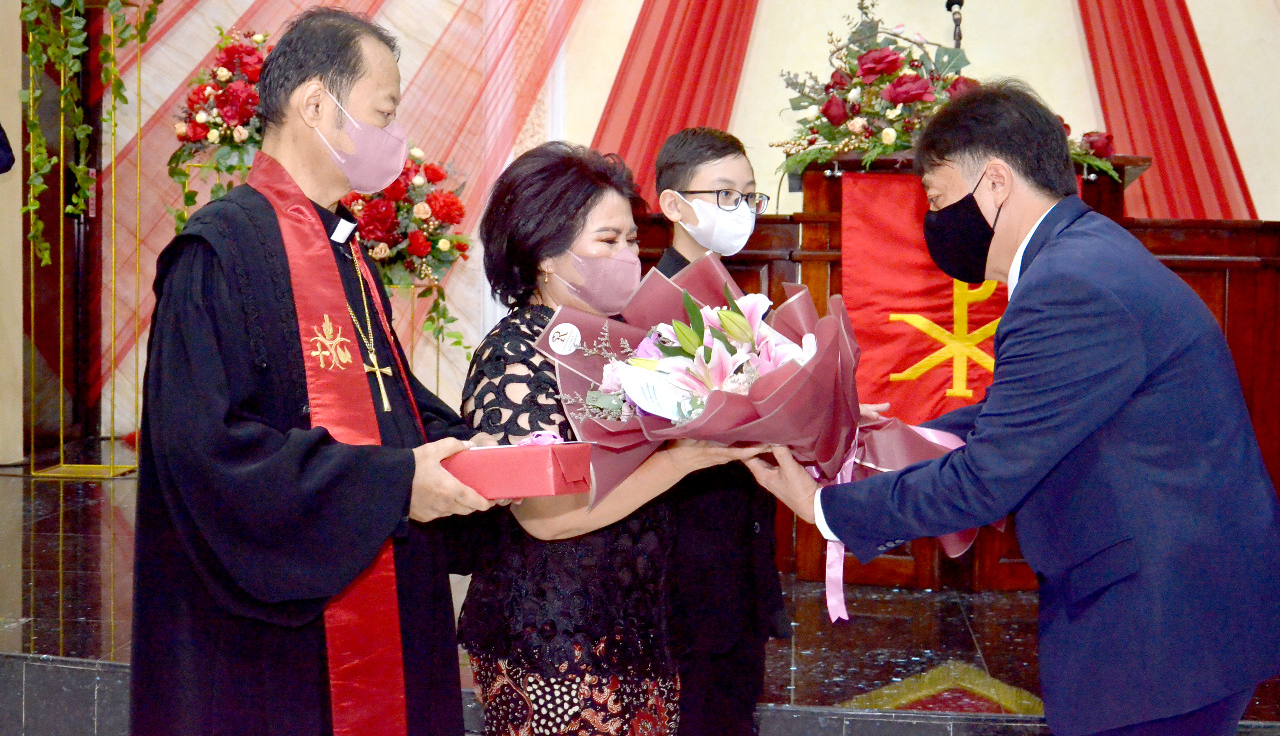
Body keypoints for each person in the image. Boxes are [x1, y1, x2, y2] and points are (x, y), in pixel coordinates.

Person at [747, 81, 1280, 736]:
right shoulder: (1086, 254)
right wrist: (892, 436)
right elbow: (1024, 412)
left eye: (936, 197)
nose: (935, 220)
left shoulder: (1068, 283)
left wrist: (824, 509)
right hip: (1182, 604)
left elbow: (985, 479)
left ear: (995, 182)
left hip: (1161, 626)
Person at [131, 7, 499, 736]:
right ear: (314, 104)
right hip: (277, 649)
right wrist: (395, 483)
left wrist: (474, 453)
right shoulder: (219, 252)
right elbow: (206, 454)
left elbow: (391, 400)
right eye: (383, 113)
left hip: (386, 609)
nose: (395, 138)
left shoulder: (345, 250)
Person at [457, 141, 760, 736]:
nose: (628, 256)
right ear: (546, 253)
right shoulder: (514, 354)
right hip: (555, 639)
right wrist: (682, 460)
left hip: (641, 626)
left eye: (631, 240)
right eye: (608, 240)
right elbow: (545, 517)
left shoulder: (620, 342)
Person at [651, 127, 785, 736]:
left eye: (750, 195)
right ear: (674, 205)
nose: (742, 210)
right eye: (725, 195)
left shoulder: (732, 295)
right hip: (687, 563)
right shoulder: (653, 305)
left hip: (740, 552)